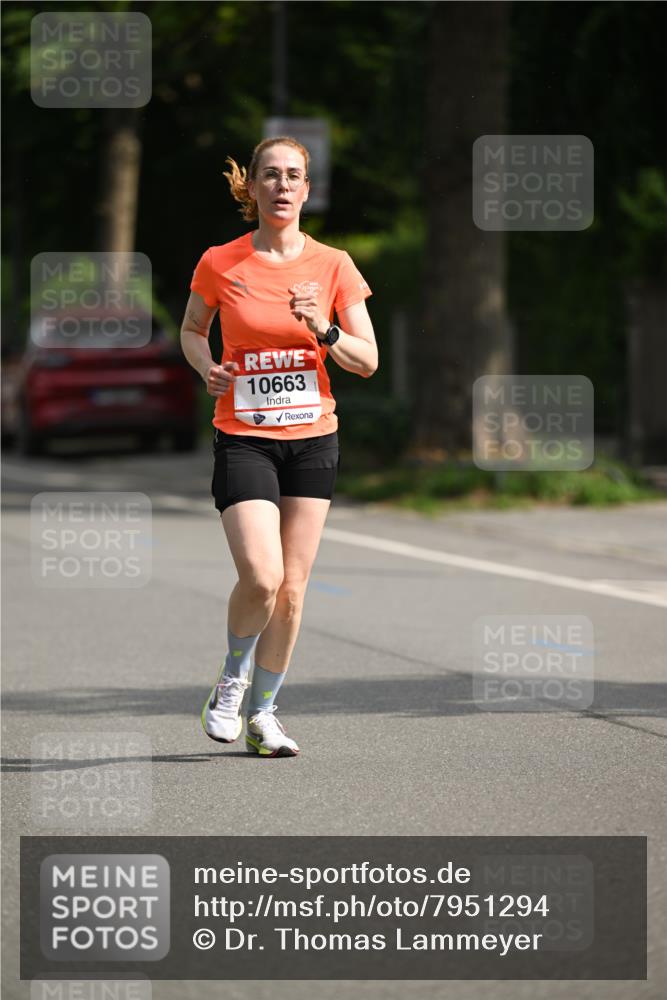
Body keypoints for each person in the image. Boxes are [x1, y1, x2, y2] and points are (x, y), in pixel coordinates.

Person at [180, 136, 377, 757]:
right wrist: (206, 365)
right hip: (244, 436)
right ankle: (232, 679)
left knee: (293, 588)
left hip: (313, 439)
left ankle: (264, 717)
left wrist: (322, 327)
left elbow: (368, 361)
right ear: (255, 188)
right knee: (262, 578)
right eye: (272, 175)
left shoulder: (334, 265)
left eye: (294, 176)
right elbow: (191, 328)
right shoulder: (221, 262)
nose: (283, 186)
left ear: (307, 190)